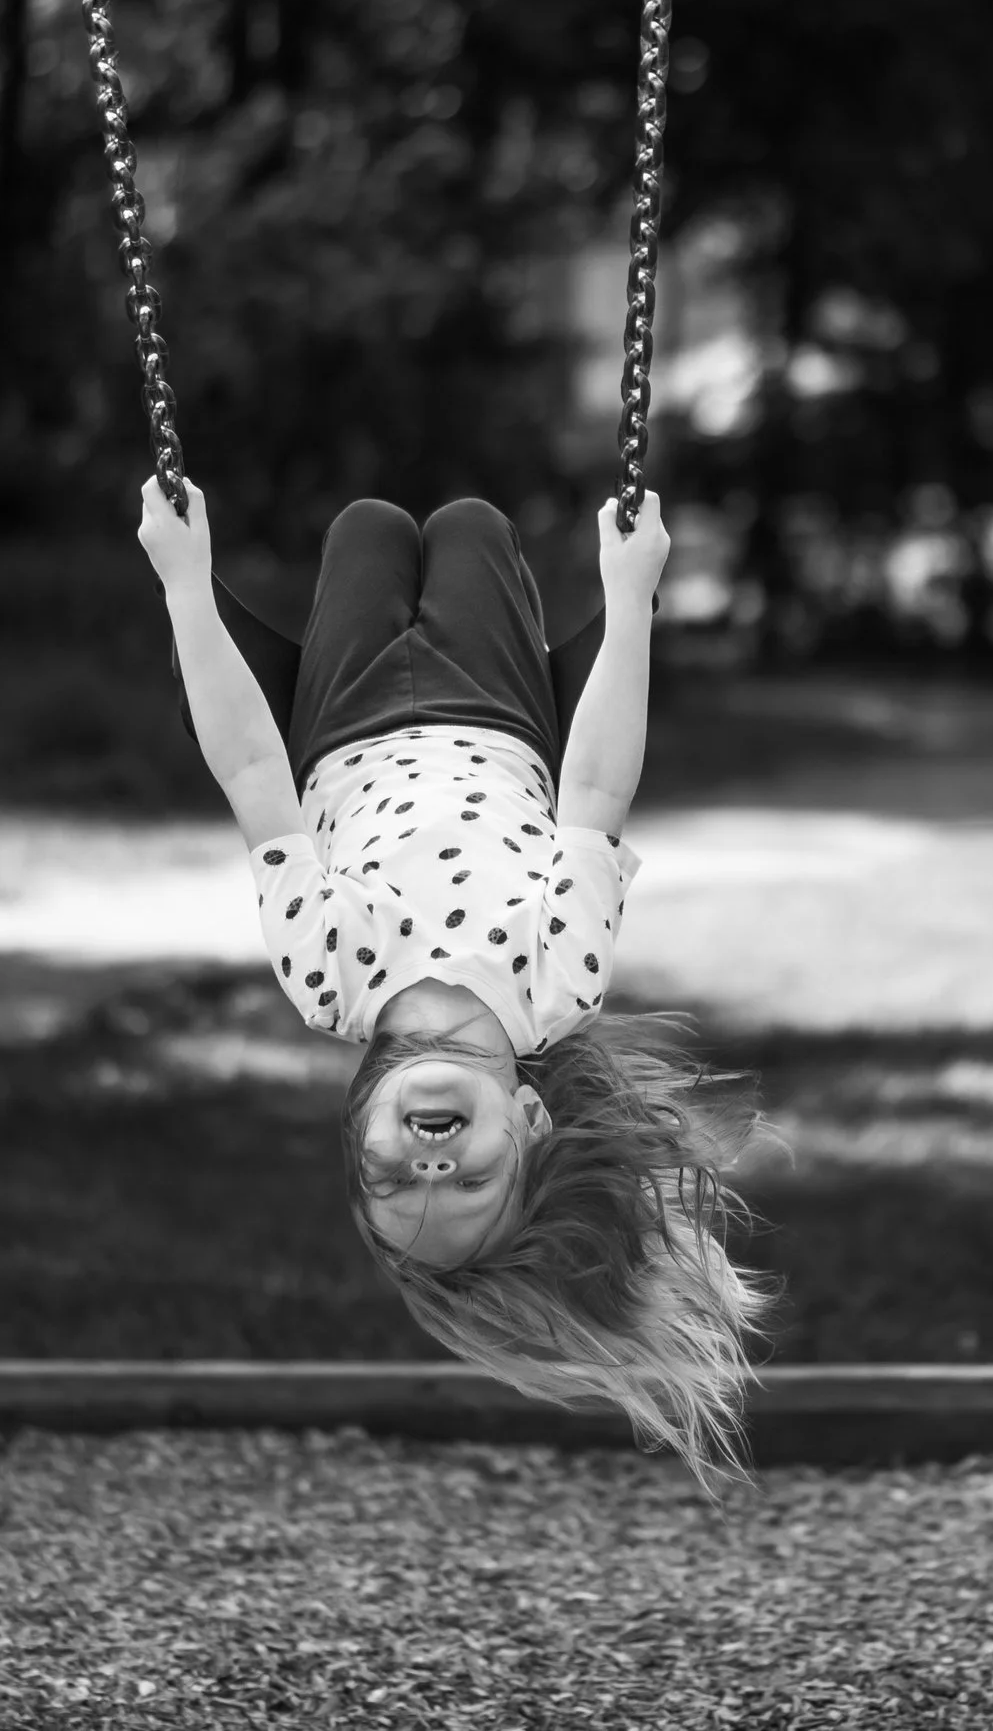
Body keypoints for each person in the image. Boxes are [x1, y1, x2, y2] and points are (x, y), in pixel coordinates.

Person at [139, 478, 766, 1488]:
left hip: (341, 716)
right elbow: (597, 785)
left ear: (359, 1133)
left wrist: (185, 582)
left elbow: (253, 770)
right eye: (472, 1181)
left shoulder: (326, 977)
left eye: (395, 1180)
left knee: (366, 528)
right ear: (531, 1121)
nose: (431, 1162)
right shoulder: (559, 985)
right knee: (473, 526)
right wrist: (628, 594)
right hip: (498, 706)